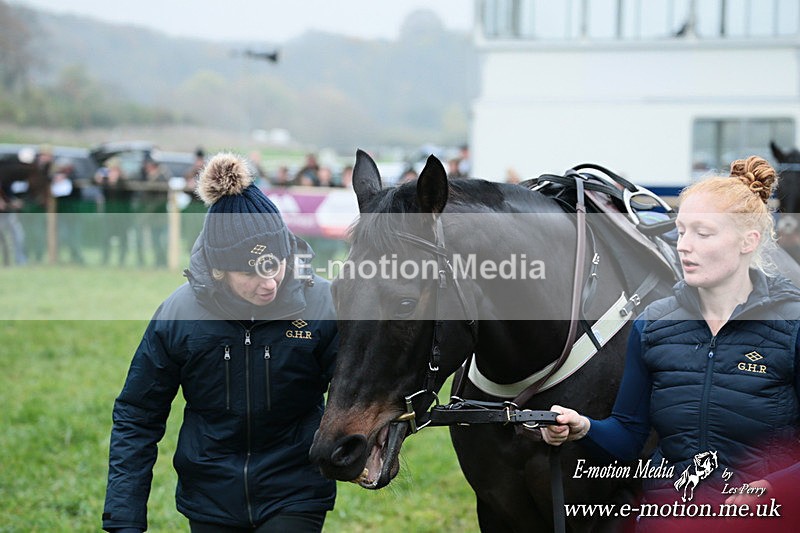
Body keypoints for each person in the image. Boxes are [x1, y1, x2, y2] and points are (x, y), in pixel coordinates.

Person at [541, 156, 800, 532]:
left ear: (749, 241)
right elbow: (629, 435)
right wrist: (584, 427)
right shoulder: (654, 323)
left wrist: (776, 486)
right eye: (681, 231)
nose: (684, 246)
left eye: (703, 233)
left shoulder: (791, 323)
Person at [102, 152, 338, 533]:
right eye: (249, 271)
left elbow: (361, 390)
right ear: (217, 269)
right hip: (209, 494)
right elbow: (137, 414)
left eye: (275, 262)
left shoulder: (323, 305)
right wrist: (124, 516)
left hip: (295, 489)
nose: (269, 282)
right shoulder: (180, 315)